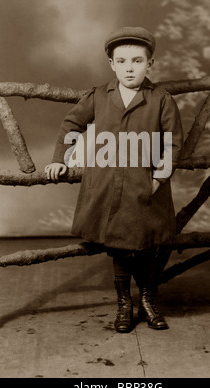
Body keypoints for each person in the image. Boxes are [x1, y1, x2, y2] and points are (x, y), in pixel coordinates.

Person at [45, 26, 183, 333]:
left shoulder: (161, 100)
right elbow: (70, 125)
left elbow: (173, 142)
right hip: (108, 185)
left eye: (137, 60)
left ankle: (147, 299)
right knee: (120, 245)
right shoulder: (98, 97)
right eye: (121, 61)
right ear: (112, 64)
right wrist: (59, 159)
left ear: (150, 64)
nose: (129, 67)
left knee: (147, 244)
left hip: (147, 186)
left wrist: (159, 178)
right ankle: (125, 304)